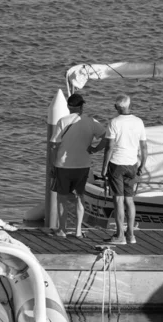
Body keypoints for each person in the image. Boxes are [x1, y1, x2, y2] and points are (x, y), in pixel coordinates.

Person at [91, 94, 147, 245]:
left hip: (117, 164)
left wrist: (103, 167)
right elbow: (143, 146)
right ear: (129, 105)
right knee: (129, 200)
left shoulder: (114, 122)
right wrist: (142, 165)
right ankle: (131, 234)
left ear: (117, 107)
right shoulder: (139, 122)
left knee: (118, 200)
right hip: (132, 164)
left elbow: (109, 147)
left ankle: (119, 235)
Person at [50, 93, 106, 238]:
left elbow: (54, 144)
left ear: (68, 107)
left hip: (63, 165)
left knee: (62, 198)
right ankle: (78, 231)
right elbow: (106, 136)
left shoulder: (62, 121)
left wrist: (52, 165)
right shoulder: (91, 121)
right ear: (81, 107)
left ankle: (62, 229)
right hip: (83, 165)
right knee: (79, 197)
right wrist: (95, 149)